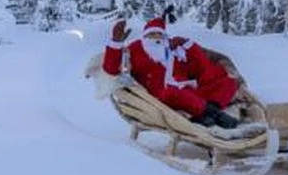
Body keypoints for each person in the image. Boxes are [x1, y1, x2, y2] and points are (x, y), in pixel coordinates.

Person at [102, 16, 241, 129]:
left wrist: (189, 45)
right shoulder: (135, 49)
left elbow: (201, 67)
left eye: (159, 34)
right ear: (145, 36)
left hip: (189, 93)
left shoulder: (173, 50)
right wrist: (116, 43)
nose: (155, 38)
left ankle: (204, 114)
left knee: (229, 83)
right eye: (151, 34)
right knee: (173, 92)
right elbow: (111, 69)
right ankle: (217, 116)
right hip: (162, 96)